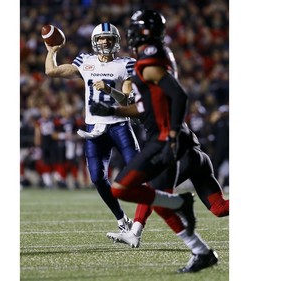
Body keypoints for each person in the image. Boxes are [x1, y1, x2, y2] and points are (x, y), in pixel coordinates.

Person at [90, 9, 228, 273]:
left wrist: (172, 135)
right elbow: (145, 108)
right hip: (187, 146)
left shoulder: (148, 62)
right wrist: (113, 111)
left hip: (168, 142)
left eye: (133, 28)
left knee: (126, 189)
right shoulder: (150, 59)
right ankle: (199, 249)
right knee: (218, 207)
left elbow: (179, 96)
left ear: (142, 31)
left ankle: (176, 214)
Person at [44, 22, 152, 233]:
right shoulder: (85, 61)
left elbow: (128, 99)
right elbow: (51, 71)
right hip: (94, 128)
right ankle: (122, 219)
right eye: (100, 39)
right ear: (95, 41)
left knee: (140, 174)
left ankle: (151, 215)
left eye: (108, 39)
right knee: (96, 177)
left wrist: (111, 90)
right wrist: (51, 51)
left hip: (119, 125)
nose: (104, 42)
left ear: (115, 41)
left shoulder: (125, 63)